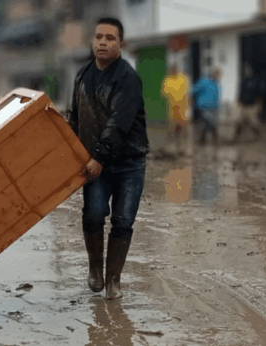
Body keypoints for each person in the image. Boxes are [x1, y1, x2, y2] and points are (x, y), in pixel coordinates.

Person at [67, 17, 149, 300]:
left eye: (110, 38)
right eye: (99, 37)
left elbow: (119, 123)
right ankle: (95, 270)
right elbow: (73, 119)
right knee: (92, 215)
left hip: (128, 162)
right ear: (92, 41)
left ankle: (114, 279)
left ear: (121, 44)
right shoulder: (82, 76)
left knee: (123, 221)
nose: (103, 42)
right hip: (94, 163)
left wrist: (99, 156)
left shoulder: (128, 79)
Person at [160, 64, 190, 151]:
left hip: (183, 107)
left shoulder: (183, 79)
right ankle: (175, 146)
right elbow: (164, 94)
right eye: (173, 70)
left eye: (176, 70)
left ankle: (184, 147)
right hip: (173, 108)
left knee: (184, 127)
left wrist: (188, 105)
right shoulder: (167, 80)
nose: (175, 72)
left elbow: (186, 93)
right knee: (173, 127)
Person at [191, 68, 221, 145]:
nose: (219, 76)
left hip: (214, 108)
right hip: (204, 107)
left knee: (206, 124)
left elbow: (217, 96)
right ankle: (214, 140)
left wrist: (218, 106)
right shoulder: (204, 81)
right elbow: (193, 90)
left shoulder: (217, 84)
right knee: (212, 123)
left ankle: (202, 141)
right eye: (217, 74)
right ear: (213, 74)